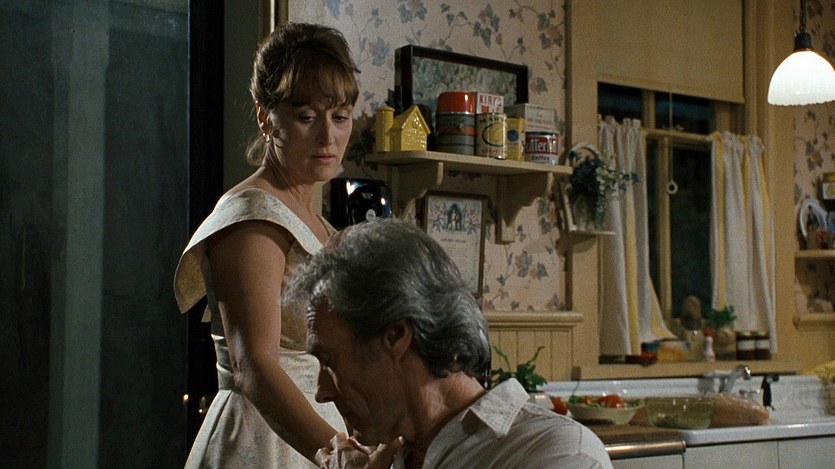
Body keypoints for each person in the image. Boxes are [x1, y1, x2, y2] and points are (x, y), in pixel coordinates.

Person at [173, 22, 359, 468]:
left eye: (340, 117)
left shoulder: (319, 223)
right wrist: (338, 453)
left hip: (317, 427)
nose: (327, 137)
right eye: (306, 117)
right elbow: (253, 366)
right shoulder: (253, 214)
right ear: (265, 116)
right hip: (267, 440)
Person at [285, 219, 614, 469]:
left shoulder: (555, 451)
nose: (322, 393)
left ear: (396, 337)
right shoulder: (384, 459)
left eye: (329, 362)